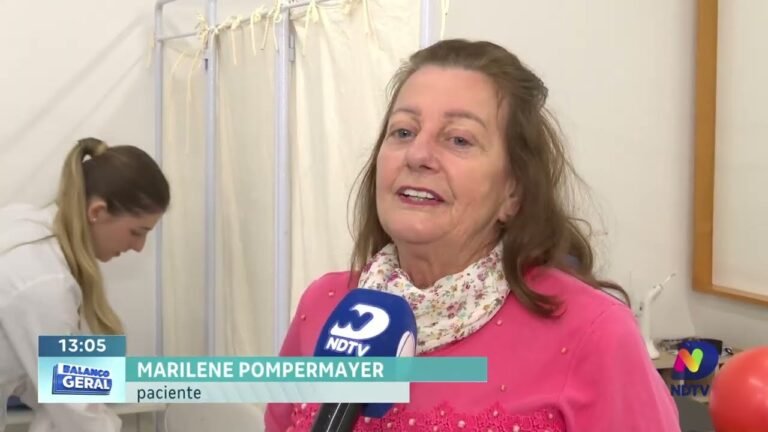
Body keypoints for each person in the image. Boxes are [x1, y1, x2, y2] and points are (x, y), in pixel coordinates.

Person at [265, 39, 680, 431]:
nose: (418, 155)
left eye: (459, 139)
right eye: (403, 132)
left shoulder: (594, 333)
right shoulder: (325, 303)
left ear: (513, 191)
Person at [0, 138, 170, 432]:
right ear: (97, 212)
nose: (139, 247)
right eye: (136, 232)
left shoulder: (20, 222)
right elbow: (76, 412)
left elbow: (40, 378)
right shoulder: (44, 282)